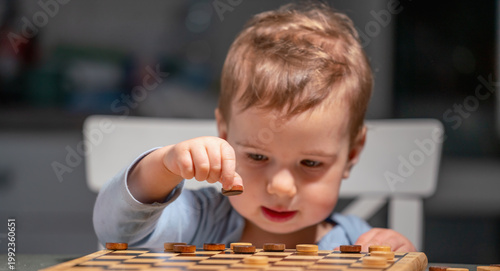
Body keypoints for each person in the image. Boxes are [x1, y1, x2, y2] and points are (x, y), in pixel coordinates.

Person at [94, 2, 415, 252]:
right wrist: (163, 166)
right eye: (258, 157)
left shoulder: (358, 243)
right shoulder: (203, 222)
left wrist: (399, 258)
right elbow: (115, 231)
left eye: (311, 163)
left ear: (352, 153)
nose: (281, 187)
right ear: (225, 136)